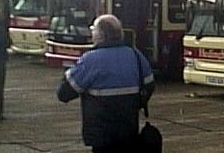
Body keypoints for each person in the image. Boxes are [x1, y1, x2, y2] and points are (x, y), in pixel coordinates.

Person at [56, 14, 155, 153]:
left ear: (101, 34)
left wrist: (69, 73)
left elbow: (64, 93)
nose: (91, 33)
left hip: (101, 136)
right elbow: (149, 86)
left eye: (93, 29)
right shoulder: (135, 55)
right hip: (129, 132)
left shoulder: (90, 60)